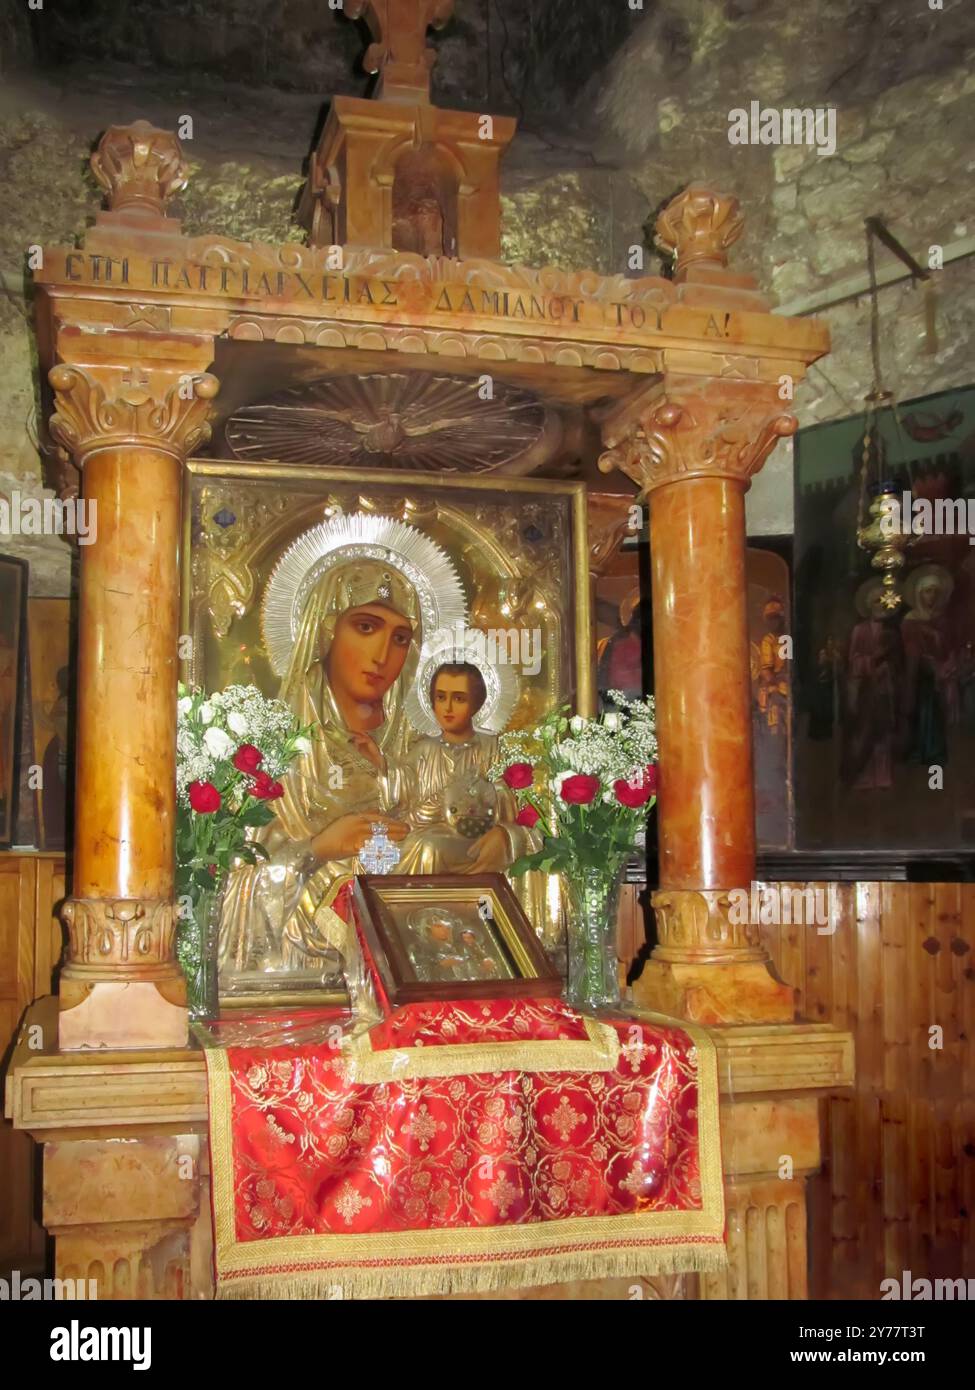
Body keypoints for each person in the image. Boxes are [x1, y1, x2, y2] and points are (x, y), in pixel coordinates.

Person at [217, 559, 419, 994]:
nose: (383, 656)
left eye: (400, 638)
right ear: (326, 630)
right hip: (306, 972)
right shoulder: (274, 751)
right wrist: (318, 849)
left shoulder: (414, 751)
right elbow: (235, 878)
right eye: (365, 628)